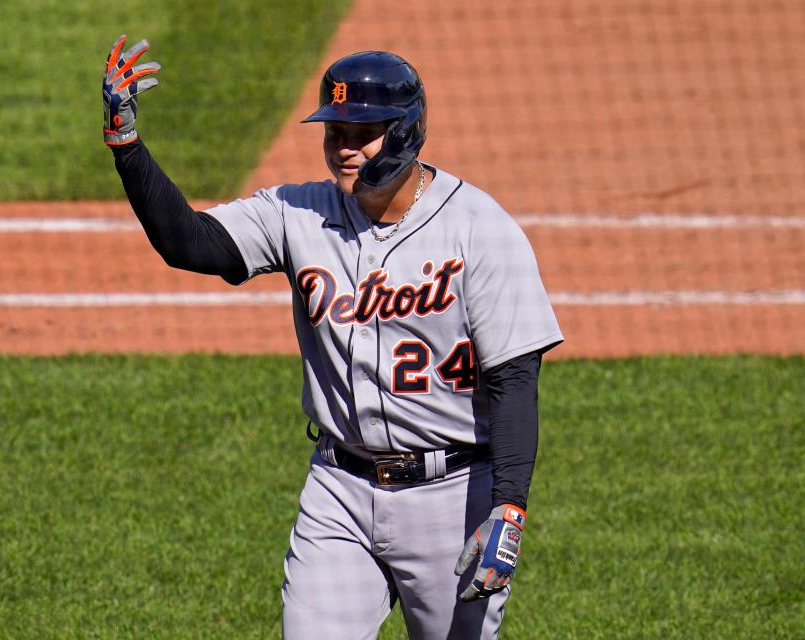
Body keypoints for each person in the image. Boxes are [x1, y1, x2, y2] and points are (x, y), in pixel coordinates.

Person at [103, 35, 563, 639]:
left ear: (405, 132)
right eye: (333, 133)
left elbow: (512, 378)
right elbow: (189, 241)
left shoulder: (480, 229)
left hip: (453, 498)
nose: (343, 150)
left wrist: (510, 506)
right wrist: (128, 148)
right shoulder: (299, 213)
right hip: (339, 492)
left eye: (360, 134)